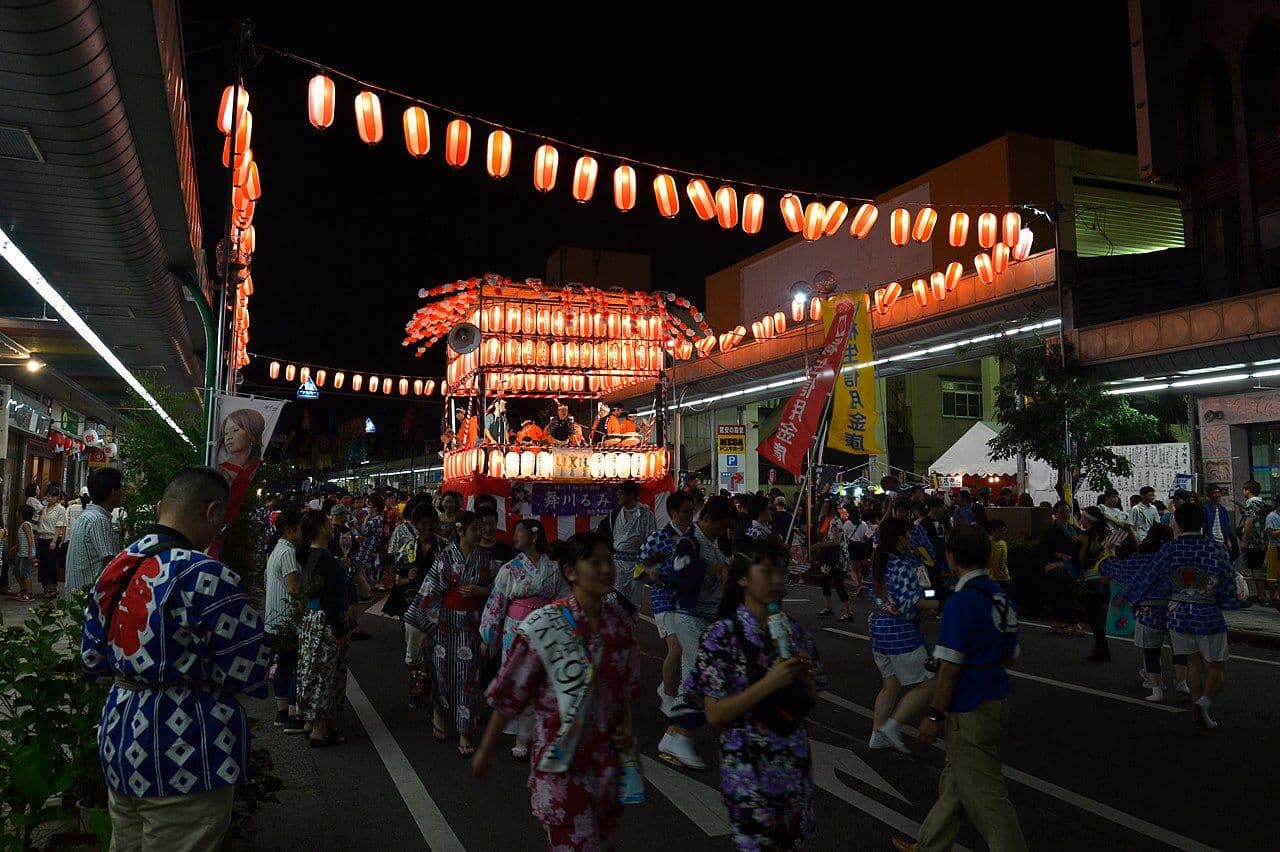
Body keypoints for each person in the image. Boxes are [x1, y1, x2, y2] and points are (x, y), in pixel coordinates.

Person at [81, 467, 269, 850]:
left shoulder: (116, 568)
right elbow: (250, 669)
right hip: (186, 753)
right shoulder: (206, 575)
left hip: (121, 741)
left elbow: (91, 660)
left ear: (159, 507)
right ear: (213, 512)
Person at [473, 531, 639, 850]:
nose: (606, 569)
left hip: (604, 765)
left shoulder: (618, 624)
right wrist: (486, 749)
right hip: (561, 764)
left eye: (609, 561)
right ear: (570, 572)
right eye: (595, 562)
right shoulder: (545, 625)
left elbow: (623, 692)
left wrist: (626, 736)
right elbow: (510, 693)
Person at [892, 526, 1027, 852]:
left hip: (969, 704)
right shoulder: (1000, 596)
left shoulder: (960, 603)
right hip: (995, 695)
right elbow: (1011, 656)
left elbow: (949, 668)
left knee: (986, 796)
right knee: (956, 782)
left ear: (951, 558)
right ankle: (928, 846)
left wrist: (934, 715)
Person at [686, 539, 824, 850]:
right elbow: (715, 713)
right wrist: (771, 682)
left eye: (782, 572)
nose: (777, 581)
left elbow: (811, 699)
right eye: (768, 572)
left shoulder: (793, 631)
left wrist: (803, 680)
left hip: (793, 760)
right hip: (749, 767)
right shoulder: (720, 636)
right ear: (743, 578)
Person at [1124, 502, 1238, 728]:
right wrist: (1229, 603)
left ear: (1178, 522)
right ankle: (1205, 701)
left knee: (1193, 663)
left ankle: (1200, 709)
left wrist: (1134, 600)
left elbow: (1148, 576)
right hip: (1207, 613)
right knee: (1216, 666)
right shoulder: (1215, 548)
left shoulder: (1170, 549)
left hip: (1177, 612)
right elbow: (1227, 582)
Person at [406, 511, 497, 756]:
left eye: (482, 527)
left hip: (473, 625)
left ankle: (465, 731)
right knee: (443, 674)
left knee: (469, 678)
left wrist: (481, 591)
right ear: (460, 531)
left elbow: (498, 591)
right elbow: (429, 591)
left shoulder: (486, 559)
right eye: (475, 528)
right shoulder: (445, 556)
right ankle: (439, 713)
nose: (481, 532)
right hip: (445, 623)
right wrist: (427, 627)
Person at [479, 519, 566, 760]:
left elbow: (563, 599)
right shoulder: (509, 569)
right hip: (516, 632)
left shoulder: (554, 567)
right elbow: (496, 604)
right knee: (521, 680)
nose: (515, 536)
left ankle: (542, 734)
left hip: (546, 630)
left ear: (534, 536)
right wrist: (488, 636)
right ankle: (521, 736)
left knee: (544, 681)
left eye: (519, 532)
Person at [659, 495, 734, 770]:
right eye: (720, 526)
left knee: (696, 676)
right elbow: (681, 574)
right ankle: (679, 734)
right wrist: (715, 568)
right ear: (708, 520)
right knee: (700, 678)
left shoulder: (709, 542)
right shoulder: (689, 542)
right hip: (690, 618)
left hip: (704, 618)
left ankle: (673, 735)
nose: (722, 532)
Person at [867, 518, 936, 753]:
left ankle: (877, 734)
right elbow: (912, 600)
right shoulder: (904, 565)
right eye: (908, 534)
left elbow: (874, 594)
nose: (912, 538)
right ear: (900, 538)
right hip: (900, 632)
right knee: (929, 683)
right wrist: (938, 602)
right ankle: (893, 726)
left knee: (891, 684)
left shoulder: (882, 562)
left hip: (878, 629)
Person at [1103, 523, 1183, 701]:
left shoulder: (1140, 558)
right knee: (1180, 649)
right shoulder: (1176, 556)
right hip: (1175, 609)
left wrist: (1108, 551)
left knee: (1150, 650)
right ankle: (1182, 681)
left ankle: (1155, 686)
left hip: (1148, 610)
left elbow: (1115, 569)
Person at [639, 490, 698, 718]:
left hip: (688, 600)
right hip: (664, 598)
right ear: (673, 512)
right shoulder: (658, 538)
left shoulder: (694, 538)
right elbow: (639, 569)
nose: (690, 515)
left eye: (692, 510)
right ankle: (668, 694)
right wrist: (650, 572)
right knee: (677, 648)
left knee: (687, 650)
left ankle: (679, 691)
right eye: (686, 511)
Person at [295, 509, 351, 746]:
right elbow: (330, 598)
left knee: (311, 669)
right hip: (326, 621)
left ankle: (310, 720)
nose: (332, 526)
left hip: (311, 618)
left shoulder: (309, 553)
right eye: (328, 523)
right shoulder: (325, 559)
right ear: (319, 528)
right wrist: (339, 629)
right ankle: (319, 728)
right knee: (326, 674)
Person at [264, 509, 305, 732]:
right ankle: (293, 716)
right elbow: (294, 587)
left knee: (284, 667)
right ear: (290, 529)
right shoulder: (288, 552)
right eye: (300, 526)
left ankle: (281, 713)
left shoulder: (276, 549)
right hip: (288, 622)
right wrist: (305, 612)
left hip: (274, 621)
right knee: (295, 667)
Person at [395, 502, 439, 709]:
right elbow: (398, 582)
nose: (428, 528)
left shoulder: (447, 548)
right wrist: (408, 578)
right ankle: (416, 688)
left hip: (440, 609)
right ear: (416, 525)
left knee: (438, 653)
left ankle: (436, 692)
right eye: (423, 524)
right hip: (413, 609)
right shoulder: (408, 548)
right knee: (413, 654)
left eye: (432, 523)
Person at [63, 468, 124, 599]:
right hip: (89, 599)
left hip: (79, 597)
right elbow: (109, 562)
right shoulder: (98, 520)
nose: (123, 494)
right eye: (121, 489)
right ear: (114, 492)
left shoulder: (89, 516)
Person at [599, 480, 657, 614]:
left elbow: (653, 541)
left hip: (638, 563)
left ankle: (630, 630)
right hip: (618, 562)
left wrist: (648, 561)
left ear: (631, 495)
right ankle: (615, 629)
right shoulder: (615, 514)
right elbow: (603, 534)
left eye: (621, 493)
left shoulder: (646, 514)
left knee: (634, 601)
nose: (618, 496)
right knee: (614, 598)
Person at [213, 406, 266, 524]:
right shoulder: (220, 471)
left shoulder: (259, 467)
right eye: (225, 433)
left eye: (235, 430)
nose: (229, 437)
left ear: (252, 432)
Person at [1076, 506, 1114, 662]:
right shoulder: (1104, 536)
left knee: (1093, 618)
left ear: (1089, 521)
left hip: (1089, 581)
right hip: (1103, 579)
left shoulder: (1083, 539)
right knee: (1097, 617)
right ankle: (1101, 649)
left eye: (1084, 517)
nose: (1081, 520)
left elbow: (1078, 562)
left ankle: (1102, 650)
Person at [1040, 501, 1083, 634]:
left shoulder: (1073, 529)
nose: (1066, 514)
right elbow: (1044, 549)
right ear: (1056, 514)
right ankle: (1071, 621)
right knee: (1065, 593)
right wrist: (1059, 555)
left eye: (1068, 511)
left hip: (1072, 565)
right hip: (1059, 566)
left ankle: (1059, 621)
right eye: (1063, 511)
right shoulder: (1052, 531)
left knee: (1065, 594)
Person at [813, 499, 853, 622]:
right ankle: (828, 607)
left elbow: (835, 541)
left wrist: (820, 545)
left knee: (838, 583)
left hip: (838, 558)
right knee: (825, 581)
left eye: (825, 507)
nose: (823, 509)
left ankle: (848, 612)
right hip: (831, 557)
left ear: (831, 509)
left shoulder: (835, 522)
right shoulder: (827, 521)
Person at [1239, 480, 1271, 605]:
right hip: (1263, 540)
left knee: (1255, 569)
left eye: (1244, 489)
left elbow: (1249, 524)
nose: (1243, 492)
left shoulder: (1251, 505)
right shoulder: (1262, 504)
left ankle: (1262, 596)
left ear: (1248, 490)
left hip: (1253, 541)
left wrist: (1244, 540)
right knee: (1258, 567)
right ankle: (1260, 594)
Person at [35, 485, 68, 598]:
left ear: (57, 497)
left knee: (51, 564)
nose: (49, 498)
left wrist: (54, 541)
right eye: (48, 496)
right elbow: (40, 523)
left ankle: (53, 586)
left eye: (52, 496)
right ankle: (45, 586)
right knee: (43, 564)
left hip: (52, 538)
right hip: (42, 538)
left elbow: (60, 526)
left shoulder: (60, 509)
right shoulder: (44, 508)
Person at [356, 493, 389, 590]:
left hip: (370, 546)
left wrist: (365, 521)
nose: (367, 508)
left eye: (369, 505)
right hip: (375, 546)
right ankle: (374, 582)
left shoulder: (373, 520)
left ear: (375, 508)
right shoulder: (380, 518)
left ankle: (371, 583)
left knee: (368, 564)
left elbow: (364, 532)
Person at [1203, 486, 1239, 561]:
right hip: (1211, 540)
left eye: (1218, 492)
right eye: (1214, 493)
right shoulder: (1205, 509)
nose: (1217, 495)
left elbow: (1226, 527)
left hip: (1223, 540)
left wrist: (1228, 540)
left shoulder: (1223, 510)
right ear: (1209, 495)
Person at [11, 504, 37, 601]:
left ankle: (29, 593)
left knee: (25, 573)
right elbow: (21, 541)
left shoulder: (26, 525)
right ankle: (23, 589)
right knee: (17, 572)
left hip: (26, 554)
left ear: (21, 514)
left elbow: (30, 539)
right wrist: (15, 548)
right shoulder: (22, 525)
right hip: (21, 553)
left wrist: (30, 553)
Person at [988, 520, 1010, 591]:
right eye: (1000, 531)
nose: (1003, 533)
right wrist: (998, 572)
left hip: (1004, 576)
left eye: (1004, 530)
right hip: (994, 577)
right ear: (992, 531)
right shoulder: (989, 543)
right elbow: (989, 560)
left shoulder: (1003, 543)